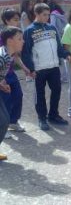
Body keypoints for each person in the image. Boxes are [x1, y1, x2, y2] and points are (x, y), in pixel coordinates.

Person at [22, 3, 71, 130]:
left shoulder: (52, 28)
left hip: (54, 67)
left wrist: (66, 54)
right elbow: (26, 52)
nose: (47, 17)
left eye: (48, 15)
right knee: (40, 94)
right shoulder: (29, 31)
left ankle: (53, 115)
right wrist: (31, 69)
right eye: (44, 15)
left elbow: (58, 47)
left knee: (56, 91)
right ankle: (42, 118)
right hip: (39, 69)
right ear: (37, 14)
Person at [1, 9, 31, 138]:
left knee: (18, 95)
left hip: (8, 73)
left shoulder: (15, 38)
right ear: (6, 21)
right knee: (5, 102)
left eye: (18, 19)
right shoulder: (5, 42)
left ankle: (12, 122)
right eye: (15, 19)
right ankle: (4, 125)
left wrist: (24, 68)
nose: (18, 22)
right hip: (3, 75)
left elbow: (14, 56)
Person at [0, 27, 24, 160]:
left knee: (4, 120)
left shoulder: (8, 56)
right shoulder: (2, 56)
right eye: (19, 39)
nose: (23, 41)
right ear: (9, 41)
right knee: (3, 121)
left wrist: (2, 84)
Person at [49, 1, 68, 83]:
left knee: (60, 58)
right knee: (66, 56)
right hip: (65, 36)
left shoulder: (53, 14)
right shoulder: (61, 14)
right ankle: (68, 76)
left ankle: (64, 77)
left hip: (58, 37)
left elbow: (52, 26)